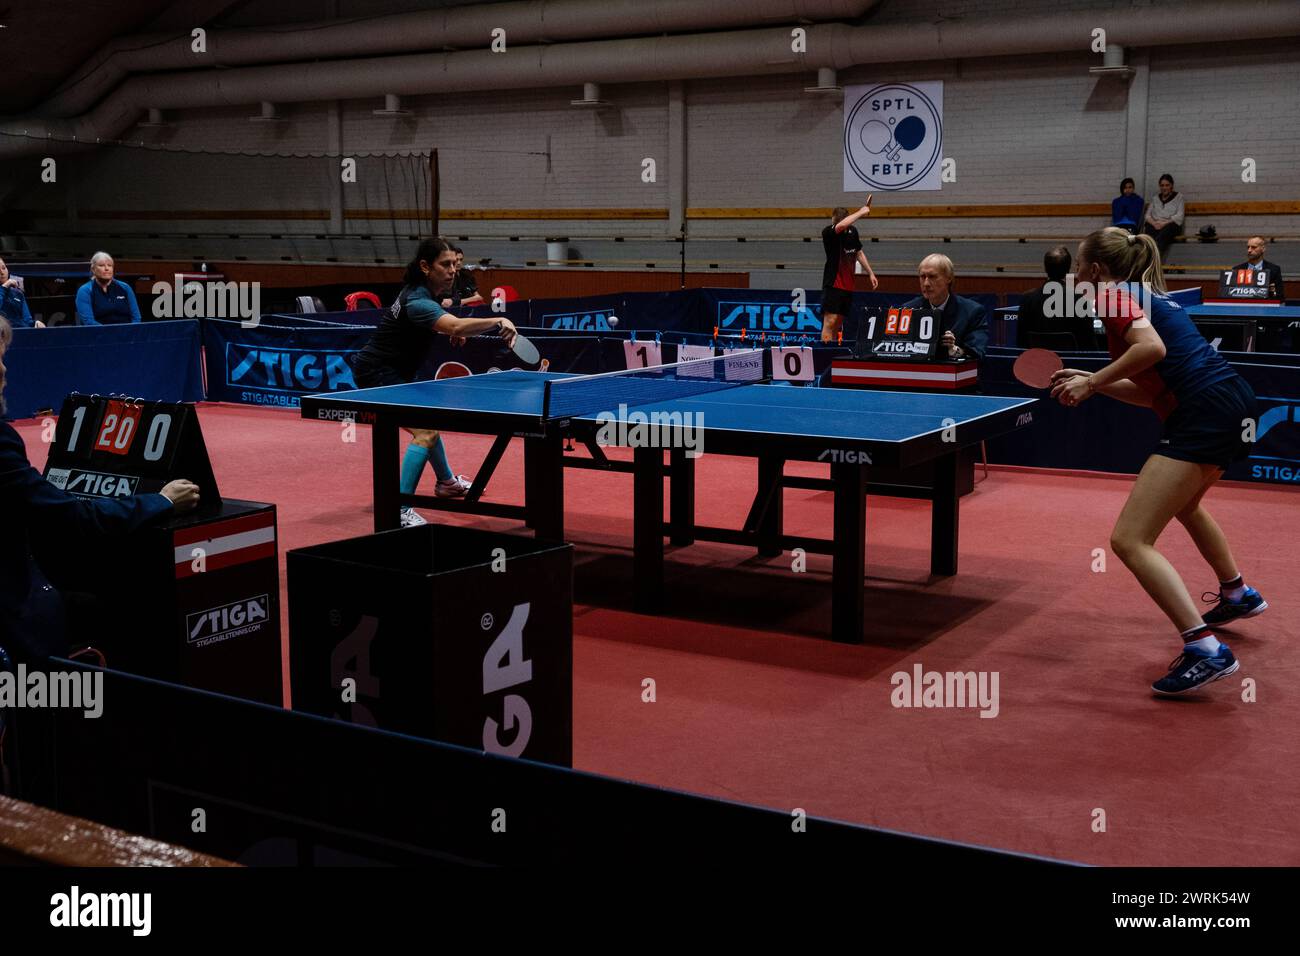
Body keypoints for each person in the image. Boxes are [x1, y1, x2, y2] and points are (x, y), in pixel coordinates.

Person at [1050, 228, 1264, 695]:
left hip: (1204, 413)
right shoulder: (1149, 295)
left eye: (1075, 269)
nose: (1072, 277)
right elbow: (1154, 394)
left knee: (1129, 539)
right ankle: (1236, 593)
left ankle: (1205, 650)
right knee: (1185, 505)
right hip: (1232, 401)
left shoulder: (1111, 295)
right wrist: (1098, 381)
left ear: (1094, 271)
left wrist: (1090, 383)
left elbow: (1152, 350)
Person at [0, 316, 200, 663]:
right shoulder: (1, 444)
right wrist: (162, 500)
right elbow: (75, 517)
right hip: (12, 610)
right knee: (125, 612)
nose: (4, 371)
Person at [351, 237, 519, 527]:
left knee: (427, 422)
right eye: (445, 264)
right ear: (426, 267)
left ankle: (446, 483)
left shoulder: (423, 294)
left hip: (394, 372)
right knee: (425, 432)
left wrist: (449, 328)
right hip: (377, 373)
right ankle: (400, 509)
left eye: (455, 263)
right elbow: (451, 323)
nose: (453, 270)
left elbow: (444, 320)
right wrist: (498, 320)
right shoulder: (417, 301)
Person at [900, 254, 988, 360]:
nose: (926, 283)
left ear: (949, 278)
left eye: (932, 277)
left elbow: (978, 353)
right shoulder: (908, 310)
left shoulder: (972, 312)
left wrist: (955, 350)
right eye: (922, 277)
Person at [821, 198, 879, 344]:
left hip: (847, 285)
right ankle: (823, 356)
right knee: (830, 322)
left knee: (838, 323)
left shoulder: (853, 231)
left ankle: (832, 355)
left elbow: (858, 252)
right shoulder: (829, 232)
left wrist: (870, 273)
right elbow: (840, 226)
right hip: (833, 283)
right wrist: (861, 211)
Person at [1017, 245, 1096, 349]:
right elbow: (1089, 344)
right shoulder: (1080, 300)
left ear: (1045, 268)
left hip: (1038, 362)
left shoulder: (1027, 299)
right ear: (1068, 270)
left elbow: (1021, 342)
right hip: (1073, 363)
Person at [75, 252, 142, 325]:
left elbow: (136, 318)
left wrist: (129, 332)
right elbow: (88, 322)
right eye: (101, 265)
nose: (106, 268)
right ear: (93, 269)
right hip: (99, 334)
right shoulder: (85, 291)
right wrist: (110, 333)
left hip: (127, 333)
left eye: (110, 265)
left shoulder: (125, 287)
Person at [1141, 174, 1184, 260]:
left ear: (1171, 185)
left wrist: (1163, 223)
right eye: (1162, 185)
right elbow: (1147, 215)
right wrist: (1154, 223)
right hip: (1156, 224)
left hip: (1170, 224)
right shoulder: (1155, 198)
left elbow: (1180, 215)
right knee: (1148, 231)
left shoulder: (1179, 197)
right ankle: (1146, 258)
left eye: (1167, 185)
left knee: (1163, 234)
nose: (1164, 188)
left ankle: (1155, 260)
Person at [1232, 236, 1287, 301]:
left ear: (1263, 249)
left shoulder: (1274, 270)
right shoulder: (1237, 270)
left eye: (1253, 247)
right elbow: (1231, 294)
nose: (1249, 250)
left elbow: (1279, 296)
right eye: (1248, 247)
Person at [0, 258, 42, 329]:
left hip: (21, 333)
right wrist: (4, 287)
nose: (2, 272)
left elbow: (27, 320)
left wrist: (35, 323)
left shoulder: (18, 294)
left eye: (4, 268)